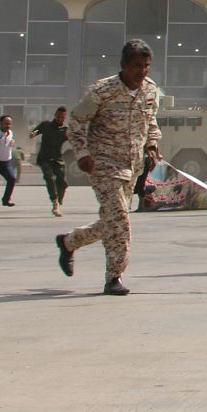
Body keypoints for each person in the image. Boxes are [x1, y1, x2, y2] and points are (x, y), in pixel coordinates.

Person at [56, 39, 162, 296]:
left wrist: (152, 145)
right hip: (103, 166)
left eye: (146, 66)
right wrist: (82, 153)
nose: (142, 71)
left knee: (111, 222)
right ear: (123, 65)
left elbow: (151, 123)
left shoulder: (150, 90)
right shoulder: (102, 91)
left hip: (132, 167)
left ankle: (69, 242)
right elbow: (77, 122)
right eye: (137, 65)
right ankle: (114, 277)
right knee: (120, 221)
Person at [29, 107, 71, 216]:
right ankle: (55, 202)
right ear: (55, 115)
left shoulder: (65, 129)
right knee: (50, 177)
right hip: (44, 159)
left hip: (57, 159)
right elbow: (36, 130)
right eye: (58, 116)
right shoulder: (46, 125)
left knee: (63, 183)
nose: (60, 119)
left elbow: (74, 138)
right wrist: (33, 133)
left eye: (62, 117)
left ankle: (59, 200)